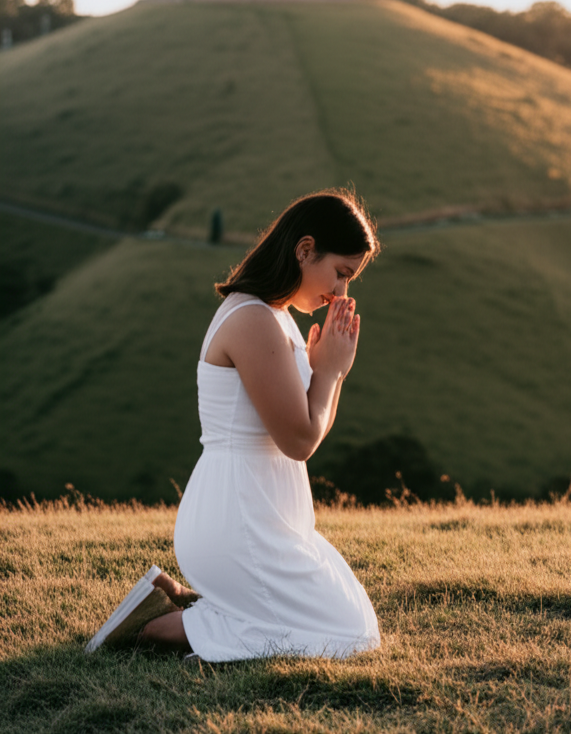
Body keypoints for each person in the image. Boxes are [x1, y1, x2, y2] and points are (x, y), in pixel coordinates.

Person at [86, 189, 381, 661]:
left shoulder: (277, 317)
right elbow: (300, 441)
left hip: (265, 517)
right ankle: (161, 628)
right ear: (305, 250)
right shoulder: (253, 319)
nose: (341, 292)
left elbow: (310, 425)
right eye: (341, 273)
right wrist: (328, 372)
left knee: (358, 620)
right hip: (237, 518)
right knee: (349, 635)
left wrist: (332, 372)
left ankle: (186, 601)